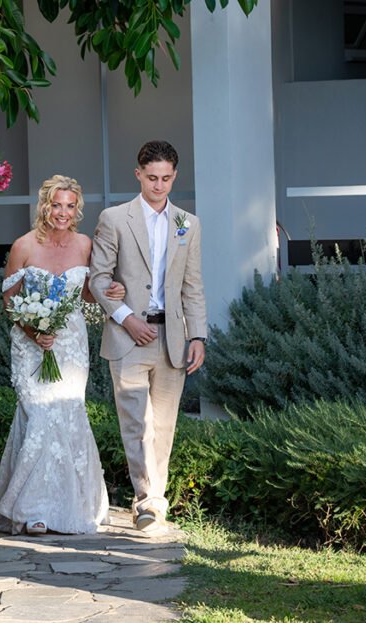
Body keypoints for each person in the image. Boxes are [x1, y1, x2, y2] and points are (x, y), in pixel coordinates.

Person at [0, 175, 125, 535]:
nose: (63, 212)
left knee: (67, 413)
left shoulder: (85, 245)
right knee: (40, 414)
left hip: (71, 342)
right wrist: (34, 331)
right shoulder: (24, 246)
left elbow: (89, 293)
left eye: (70, 206)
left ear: (78, 209)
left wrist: (112, 291)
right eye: (56, 205)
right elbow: (10, 301)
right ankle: (33, 510)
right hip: (30, 345)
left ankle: (71, 505)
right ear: (45, 206)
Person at [88, 140, 207, 533]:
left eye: (166, 178)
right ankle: (147, 502)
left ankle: (154, 498)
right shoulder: (114, 218)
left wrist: (198, 336)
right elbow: (98, 279)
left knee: (164, 426)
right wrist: (126, 318)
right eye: (152, 177)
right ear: (138, 174)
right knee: (137, 422)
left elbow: (192, 285)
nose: (159, 185)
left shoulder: (188, 223)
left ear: (175, 176)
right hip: (128, 338)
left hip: (173, 338)